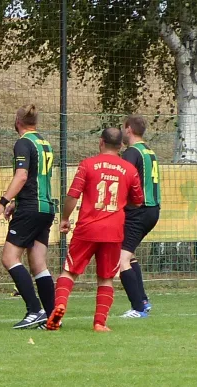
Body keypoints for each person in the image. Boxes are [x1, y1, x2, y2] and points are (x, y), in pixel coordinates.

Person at [46, 127, 143, 331]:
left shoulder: (87, 165)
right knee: (106, 278)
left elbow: (73, 195)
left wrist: (64, 218)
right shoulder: (129, 169)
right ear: (120, 146)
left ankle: (60, 306)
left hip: (87, 228)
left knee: (69, 271)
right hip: (114, 231)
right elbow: (138, 201)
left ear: (101, 142)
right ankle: (99, 323)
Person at [0, 104, 56, 329]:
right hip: (46, 208)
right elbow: (36, 178)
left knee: (9, 258)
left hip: (31, 207)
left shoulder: (23, 143)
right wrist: (17, 204)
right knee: (38, 263)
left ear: (17, 121)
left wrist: (2, 203)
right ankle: (52, 315)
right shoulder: (45, 144)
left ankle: (34, 310)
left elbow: (22, 176)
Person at [119, 115, 161, 318]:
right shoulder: (149, 152)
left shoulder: (132, 153)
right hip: (152, 209)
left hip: (139, 210)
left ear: (128, 129)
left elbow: (123, 180)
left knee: (121, 259)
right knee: (129, 254)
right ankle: (143, 300)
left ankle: (138, 308)